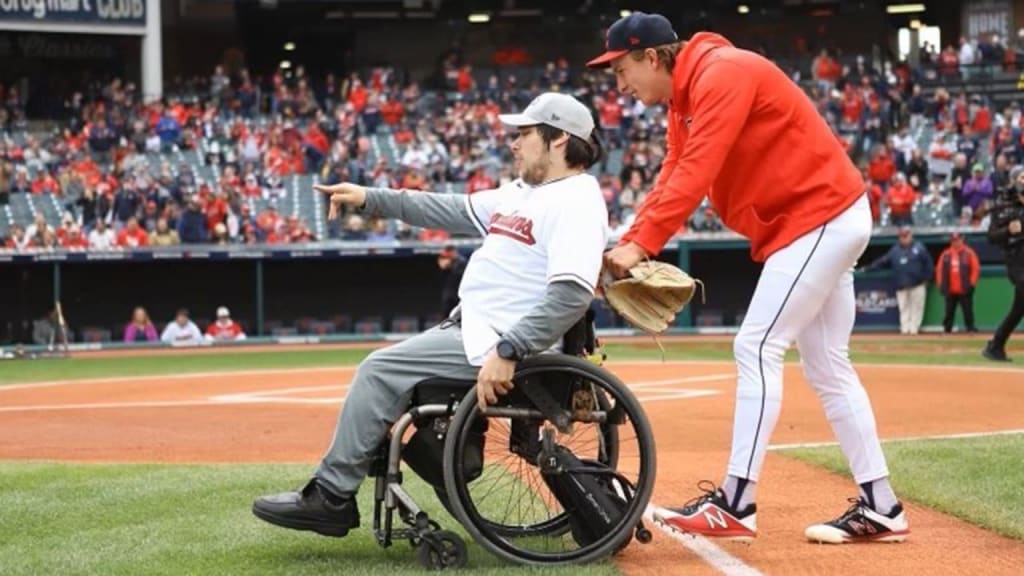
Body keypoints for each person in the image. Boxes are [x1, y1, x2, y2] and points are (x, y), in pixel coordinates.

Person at [587, 12, 909, 544]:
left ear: (651, 56)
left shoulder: (721, 73)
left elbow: (697, 171)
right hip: (817, 220)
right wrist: (633, 237)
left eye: (622, 70)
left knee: (756, 346)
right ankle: (883, 505)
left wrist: (641, 245)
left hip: (818, 216)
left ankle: (737, 502)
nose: (620, 85)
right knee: (828, 365)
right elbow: (672, 170)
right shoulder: (683, 100)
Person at [251, 92, 607, 539]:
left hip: (500, 342)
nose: (514, 143)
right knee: (390, 377)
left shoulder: (577, 201)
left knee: (378, 371)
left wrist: (509, 349)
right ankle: (388, 472)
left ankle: (332, 496)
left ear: (559, 141)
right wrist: (368, 198)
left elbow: (572, 294)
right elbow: (447, 208)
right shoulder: (523, 193)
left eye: (525, 134)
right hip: (473, 329)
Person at [983, 165, 1024, 361]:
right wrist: (1008, 230)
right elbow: (991, 236)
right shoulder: (1004, 206)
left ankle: (995, 346)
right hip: (1017, 258)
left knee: (1018, 310)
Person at [864, 226, 934, 335]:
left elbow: (929, 265)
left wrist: (927, 279)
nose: (904, 238)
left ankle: (914, 330)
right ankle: (905, 330)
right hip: (901, 285)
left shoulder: (919, 248)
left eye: (906, 236)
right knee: (904, 309)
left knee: (917, 309)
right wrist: (868, 268)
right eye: (902, 236)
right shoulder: (895, 250)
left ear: (911, 235)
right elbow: (883, 261)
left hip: (917, 285)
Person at [935, 231, 980, 333]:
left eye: (957, 240)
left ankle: (970, 328)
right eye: (953, 240)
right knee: (949, 311)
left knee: (967, 310)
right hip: (950, 288)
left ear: (962, 240)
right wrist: (940, 284)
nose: (956, 242)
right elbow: (939, 270)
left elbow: (975, 269)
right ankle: (947, 329)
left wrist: (972, 283)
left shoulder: (969, 253)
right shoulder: (946, 254)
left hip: (964, 287)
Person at [437, 245, 467, 317]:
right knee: (446, 315)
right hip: (449, 294)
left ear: (453, 252)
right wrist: (444, 269)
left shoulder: (462, 262)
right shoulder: (447, 263)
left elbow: (459, 276)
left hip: (458, 294)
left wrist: (449, 267)